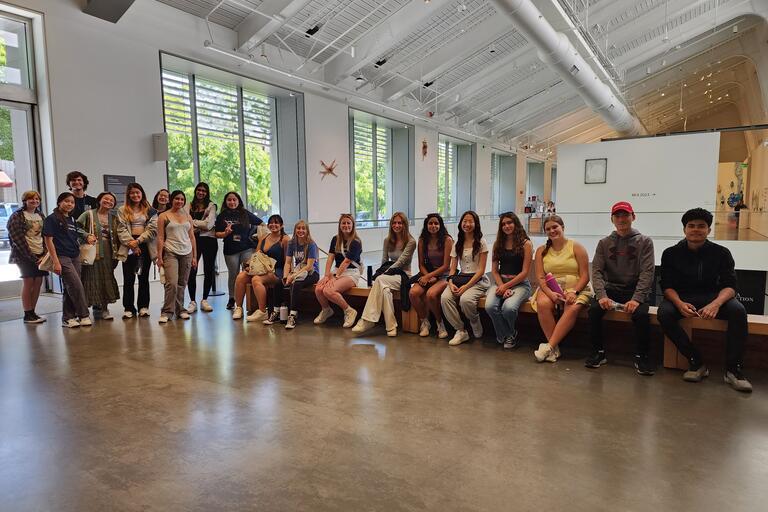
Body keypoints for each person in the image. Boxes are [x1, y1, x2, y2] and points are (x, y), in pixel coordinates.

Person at [657, 207, 752, 392]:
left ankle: (734, 370)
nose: (695, 229)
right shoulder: (670, 253)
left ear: (709, 230)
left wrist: (716, 304)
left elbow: (730, 286)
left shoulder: (722, 253)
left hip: (714, 298)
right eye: (691, 226)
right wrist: (679, 303)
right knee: (665, 313)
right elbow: (667, 286)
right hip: (683, 298)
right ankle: (696, 362)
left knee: (738, 311)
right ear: (684, 229)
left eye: (701, 226)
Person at [585, 202, 656, 375]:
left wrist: (636, 299)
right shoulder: (604, 243)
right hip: (611, 289)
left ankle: (642, 356)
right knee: (594, 310)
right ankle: (598, 353)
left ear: (633, 217)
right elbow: (597, 272)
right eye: (618, 216)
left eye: (625, 215)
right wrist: (601, 295)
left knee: (640, 315)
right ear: (612, 219)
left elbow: (647, 273)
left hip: (634, 291)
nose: (622, 219)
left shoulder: (645, 242)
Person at [530, 215, 593, 362]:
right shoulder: (541, 250)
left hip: (576, 288)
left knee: (571, 307)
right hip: (549, 288)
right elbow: (540, 277)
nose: (552, 231)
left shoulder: (576, 247)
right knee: (543, 303)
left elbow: (585, 276)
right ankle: (554, 350)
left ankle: (549, 346)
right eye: (548, 229)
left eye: (555, 227)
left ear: (562, 228)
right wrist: (551, 294)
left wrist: (574, 291)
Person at [353, 212, 417, 337]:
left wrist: (381, 275)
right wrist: (381, 273)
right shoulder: (387, 240)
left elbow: (400, 262)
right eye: (394, 223)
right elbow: (384, 261)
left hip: (403, 276)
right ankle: (391, 326)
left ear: (405, 225)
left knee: (380, 280)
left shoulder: (411, 241)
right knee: (385, 290)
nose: (397, 225)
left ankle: (367, 320)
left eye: (400, 223)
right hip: (388, 276)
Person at [43, 192, 95, 328]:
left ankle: (68, 317)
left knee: (70, 286)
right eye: (66, 201)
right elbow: (48, 241)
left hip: (75, 256)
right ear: (59, 202)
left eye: (72, 202)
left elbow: (76, 237)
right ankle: (83, 315)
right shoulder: (52, 219)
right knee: (76, 285)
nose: (69, 204)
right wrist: (55, 262)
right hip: (62, 256)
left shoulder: (72, 220)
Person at [440, 210, 490, 346]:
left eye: (470, 221)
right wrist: (450, 283)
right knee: (445, 298)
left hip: (477, 280)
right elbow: (452, 267)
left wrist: (465, 288)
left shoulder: (481, 242)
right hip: (461, 278)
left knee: (466, 300)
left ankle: (474, 321)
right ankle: (461, 330)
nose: (467, 224)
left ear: (476, 224)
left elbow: (481, 271)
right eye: (464, 221)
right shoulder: (457, 244)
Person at [484, 212, 533, 349]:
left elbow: (524, 273)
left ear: (516, 223)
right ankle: (509, 333)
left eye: (509, 223)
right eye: (503, 224)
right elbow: (494, 270)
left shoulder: (526, 244)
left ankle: (506, 335)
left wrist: (506, 287)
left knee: (508, 308)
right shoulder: (497, 244)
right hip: (500, 282)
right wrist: (502, 286)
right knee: (489, 306)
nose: (507, 226)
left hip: (520, 285)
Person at [232, 214, 288, 323]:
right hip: (261, 268)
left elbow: (288, 260)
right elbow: (256, 255)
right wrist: (249, 266)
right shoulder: (264, 238)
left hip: (277, 270)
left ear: (281, 225)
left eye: (276, 223)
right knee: (241, 276)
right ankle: (238, 307)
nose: (273, 225)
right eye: (271, 223)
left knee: (256, 279)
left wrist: (287, 276)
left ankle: (262, 311)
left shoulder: (285, 240)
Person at [215, 191, 263, 310]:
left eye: (234, 200)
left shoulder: (245, 213)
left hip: (246, 248)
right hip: (230, 250)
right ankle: (232, 298)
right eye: (229, 200)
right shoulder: (222, 216)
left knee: (248, 273)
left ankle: (251, 299)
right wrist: (225, 233)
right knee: (233, 275)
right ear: (226, 202)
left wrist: (258, 236)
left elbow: (261, 223)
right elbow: (216, 234)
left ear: (238, 201)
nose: (232, 202)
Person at [314, 214, 363, 328]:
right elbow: (330, 257)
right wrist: (327, 275)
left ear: (353, 225)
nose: (346, 225)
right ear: (340, 225)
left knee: (328, 291)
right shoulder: (335, 239)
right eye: (343, 223)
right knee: (319, 288)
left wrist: (335, 277)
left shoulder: (356, 242)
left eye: (348, 223)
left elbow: (346, 262)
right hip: (337, 271)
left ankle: (349, 310)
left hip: (351, 272)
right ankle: (326, 310)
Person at [77, 192, 121, 320]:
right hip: (92, 252)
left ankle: (104, 309)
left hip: (109, 252)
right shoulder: (89, 214)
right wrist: (87, 236)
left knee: (106, 278)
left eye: (111, 200)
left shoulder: (114, 217)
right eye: (106, 199)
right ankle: (84, 311)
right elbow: (76, 227)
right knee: (90, 279)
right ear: (99, 200)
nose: (108, 201)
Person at [116, 183, 157, 318]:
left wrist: (138, 242)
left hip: (144, 244)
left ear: (142, 194)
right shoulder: (122, 210)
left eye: (137, 192)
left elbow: (152, 229)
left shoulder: (150, 210)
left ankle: (143, 307)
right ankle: (128, 308)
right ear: (128, 195)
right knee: (128, 278)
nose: (135, 195)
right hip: (128, 245)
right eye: (132, 193)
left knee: (143, 277)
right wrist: (132, 244)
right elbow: (121, 229)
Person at [156, 190, 197, 323]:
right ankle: (167, 311)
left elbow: (192, 237)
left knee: (182, 283)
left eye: (182, 199)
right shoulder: (163, 216)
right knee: (171, 283)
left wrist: (194, 256)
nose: (179, 201)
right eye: (176, 199)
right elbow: (160, 237)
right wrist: (159, 257)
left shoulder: (188, 216)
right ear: (171, 200)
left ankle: (180, 310)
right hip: (170, 252)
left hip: (187, 252)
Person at [409, 213, 453, 338]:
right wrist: (427, 276)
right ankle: (424, 322)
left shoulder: (447, 240)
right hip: (427, 273)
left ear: (440, 225)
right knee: (413, 293)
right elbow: (421, 264)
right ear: (426, 225)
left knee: (431, 294)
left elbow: (446, 266)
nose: (433, 226)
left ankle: (440, 323)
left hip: (444, 275)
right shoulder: (423, 241)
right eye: (430, 223)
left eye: (436, 223)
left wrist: (430, 277)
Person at [7, 191, 48, 323]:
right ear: (25, 200)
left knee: (38, 282)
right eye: (31, 199)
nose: (34, 201)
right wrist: (33, 258)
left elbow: (46, 235)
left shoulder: (40, 215)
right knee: (29, 281)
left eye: (37, 199)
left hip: (40, 253)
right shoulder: (17, 216)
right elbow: (17, 239)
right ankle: (27, 313)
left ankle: (33, 312)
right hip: (23, 254)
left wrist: (44, 254)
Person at [281, 220, 320, 329]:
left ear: (307, 231)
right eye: (298, 228)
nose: (301, 230)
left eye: (303, 228)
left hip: (312, 273)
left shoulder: (311, 244)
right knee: (282, 283)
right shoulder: (292, 243)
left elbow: (309, 267)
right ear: (295, 230)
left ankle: (292, 315)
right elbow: (288, 262)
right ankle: (278, 311)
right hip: (299, 272)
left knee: (296, 283)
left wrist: (292, 276)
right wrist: (285, 276)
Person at [185, 182, 218, 313]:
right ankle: (192, 301)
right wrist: (200, 224)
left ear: (207, 192)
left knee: (209, 270)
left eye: (204, 190)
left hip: (209, 240)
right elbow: (184, 221)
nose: (201, 192)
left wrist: (192, 222)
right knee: (191, 270)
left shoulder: (212, 206)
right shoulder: (189, 205)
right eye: (199, 190)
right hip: (193, 240)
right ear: (195, 191)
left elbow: (209, 225)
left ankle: (204, 299)